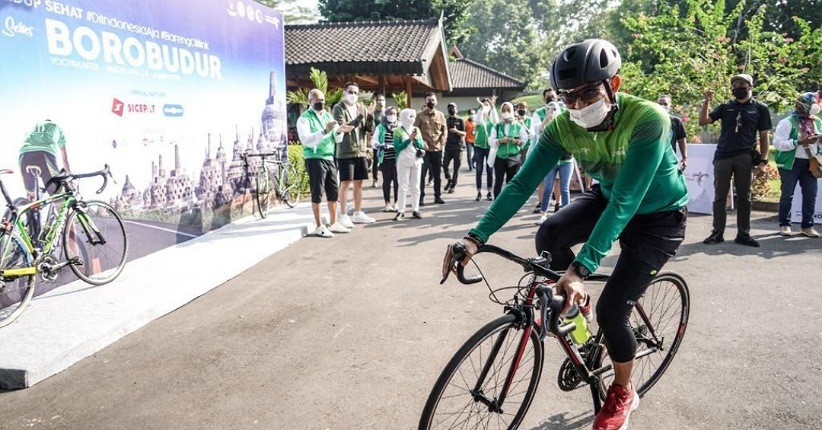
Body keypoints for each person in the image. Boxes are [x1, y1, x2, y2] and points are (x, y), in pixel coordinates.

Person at [456, 39, 687, 430]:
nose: (578, 105)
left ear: (614, 85)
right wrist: (474, 238)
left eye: (588, 93)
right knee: (550, 234)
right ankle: (577, 308)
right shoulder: (561, 126)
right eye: (568, 96)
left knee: (612, 313)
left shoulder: (649, 119)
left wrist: (581, 269)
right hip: (608, 196)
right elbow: (520, 185)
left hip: (657, 218)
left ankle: (624, 391)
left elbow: (626, 201)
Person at [699, 74, 772, 247]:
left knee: (744, 197)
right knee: (720, 196)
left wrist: (763, 160)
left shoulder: (760, 108)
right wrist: (706, 101)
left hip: (745, 156)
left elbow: (764, 136)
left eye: (741, 84)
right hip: (723, 156)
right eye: (734, 84)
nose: (737, 87)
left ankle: (743, 234)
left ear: (750, 86)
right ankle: (717, 233)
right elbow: (703, 121)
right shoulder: (726, 107)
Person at [296, 89, 352, 238]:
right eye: (316, 100)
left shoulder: (328, 116)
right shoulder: (304, 118)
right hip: (314, 158)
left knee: (333, 191)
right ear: (310, 101)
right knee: (317, 193)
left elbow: (337, 138)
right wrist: (324, 131)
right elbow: (306, 140)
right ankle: (319, 226)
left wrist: (340, 131)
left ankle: (333, 223)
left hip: (329, 157)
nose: (320, 102)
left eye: (322, 100)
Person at [773, 92, 821, 238]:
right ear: (802, 106)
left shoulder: (817, 122)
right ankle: (785, 224)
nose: (815, 107)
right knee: (787, 194)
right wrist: (799, 142)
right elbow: (778, 143)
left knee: (810, 194)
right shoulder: (787, 122)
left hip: (810, 162)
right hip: (791, 163)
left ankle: (808, 226)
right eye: (811, 104)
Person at [332, 82, 377, 228]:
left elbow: (369, 129)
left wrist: (370, 116)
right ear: (345, 92)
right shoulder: (339, 108)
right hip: (345, 151)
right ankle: (343, 215)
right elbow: (344, 127)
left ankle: (357, 213)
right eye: (351, 92)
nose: (353, 95)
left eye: (356, 93)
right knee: (345, 182)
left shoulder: (361, 107)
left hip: (361, 151)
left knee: (359, 182)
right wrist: (359, 117)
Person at [19, 119, 72, 199]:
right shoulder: (57, 127)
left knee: (31, 194)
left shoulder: (32, 127)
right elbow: (64, 159)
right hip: (44, 155)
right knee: (57, 195)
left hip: (24, 156)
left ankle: (30, 200)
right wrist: (69, 173)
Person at [488, 102, 528, 199]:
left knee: (511, 182)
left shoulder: (517, 125)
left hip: (513, 157)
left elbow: (524, 139)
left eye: (508, 110)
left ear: (512, 111)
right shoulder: (497, 126)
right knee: (498, 181)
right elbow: (491, 141)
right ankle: (497, 203)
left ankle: (508, 202)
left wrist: (516, 141)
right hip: (500, 158)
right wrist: (500, 141)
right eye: (504, 110)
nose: (506, 112)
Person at [415, 92, 448, 205]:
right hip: (424, 150)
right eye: (429, 100)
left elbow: (444, 129)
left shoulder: (440, 115)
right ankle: (420, 197)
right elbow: (415, 131)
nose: (431, 102)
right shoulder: (419, 116)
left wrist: (444, 138)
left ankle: (437, 196)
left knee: (437, 175)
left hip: (437, 149)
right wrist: (421, 142)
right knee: (422, 175)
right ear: (425, 101)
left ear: (436, 101)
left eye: (433, 100)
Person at [394, 108, 425, 221]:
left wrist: (415, 139)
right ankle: (401, 211)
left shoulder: (416, 129)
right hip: (403, 161)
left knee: (415, 186)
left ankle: (415, 209)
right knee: (403, 186)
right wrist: (409, 140)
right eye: (409, 116)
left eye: (413, 116)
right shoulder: (398, 131)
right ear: (403, 117)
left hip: (416, 160)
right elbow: (397, 147)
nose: (412, 118)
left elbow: (421, 145)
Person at [371, 106, 400, 212]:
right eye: (390, 114)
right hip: (386, 159)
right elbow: (374, 141)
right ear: (386, 115)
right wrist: (380, 145)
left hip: (398, 159)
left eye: (394, 114)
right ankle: (387, 203)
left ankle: (397, 202)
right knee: (386, 181)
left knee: (397, 181)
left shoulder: (400, 126)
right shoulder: (380, 127)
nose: (392, 116)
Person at [472, 96, 498, 201]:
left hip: (490, 147)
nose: (485, 107)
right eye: (484, 105)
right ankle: (478, 192)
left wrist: (493, 106)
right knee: (479, 169)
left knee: (489, 169)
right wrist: (481, 107)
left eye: (487, 105)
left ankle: (489, 191)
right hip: (479, 147)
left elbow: (496, 121)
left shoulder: (491, 119)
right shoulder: (478, 118)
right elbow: (478, 120)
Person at [657, 94, 688, 170]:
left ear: (670, 106)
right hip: (654, 159)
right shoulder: (651, 121)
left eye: (665, 104)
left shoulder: (676, 121)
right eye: (660, 104)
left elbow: (682, 140)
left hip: (669, 160)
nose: (662, 106)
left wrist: (684, 158)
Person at [443, 102, 466, 194]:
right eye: (449, 108)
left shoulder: (460, 120)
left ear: (456, 109)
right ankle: (449, 179)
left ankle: (453, 186)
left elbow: (464, 133)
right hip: (448, 147)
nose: (451, 109)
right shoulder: (446, 120)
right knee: (444, 165)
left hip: (458, 147)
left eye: (453, 108)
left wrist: (457, 131)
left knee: (456, 168)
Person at [371, 93, 387, 188]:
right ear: (376, 102)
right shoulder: (374, 114)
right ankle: (375, 179)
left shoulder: (388, 113)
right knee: (376, 160)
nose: (381, 102)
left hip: (387, 139)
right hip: (377, 139)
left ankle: (387, 179)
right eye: (379, 100)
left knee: (387, 160)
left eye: (382, 100)